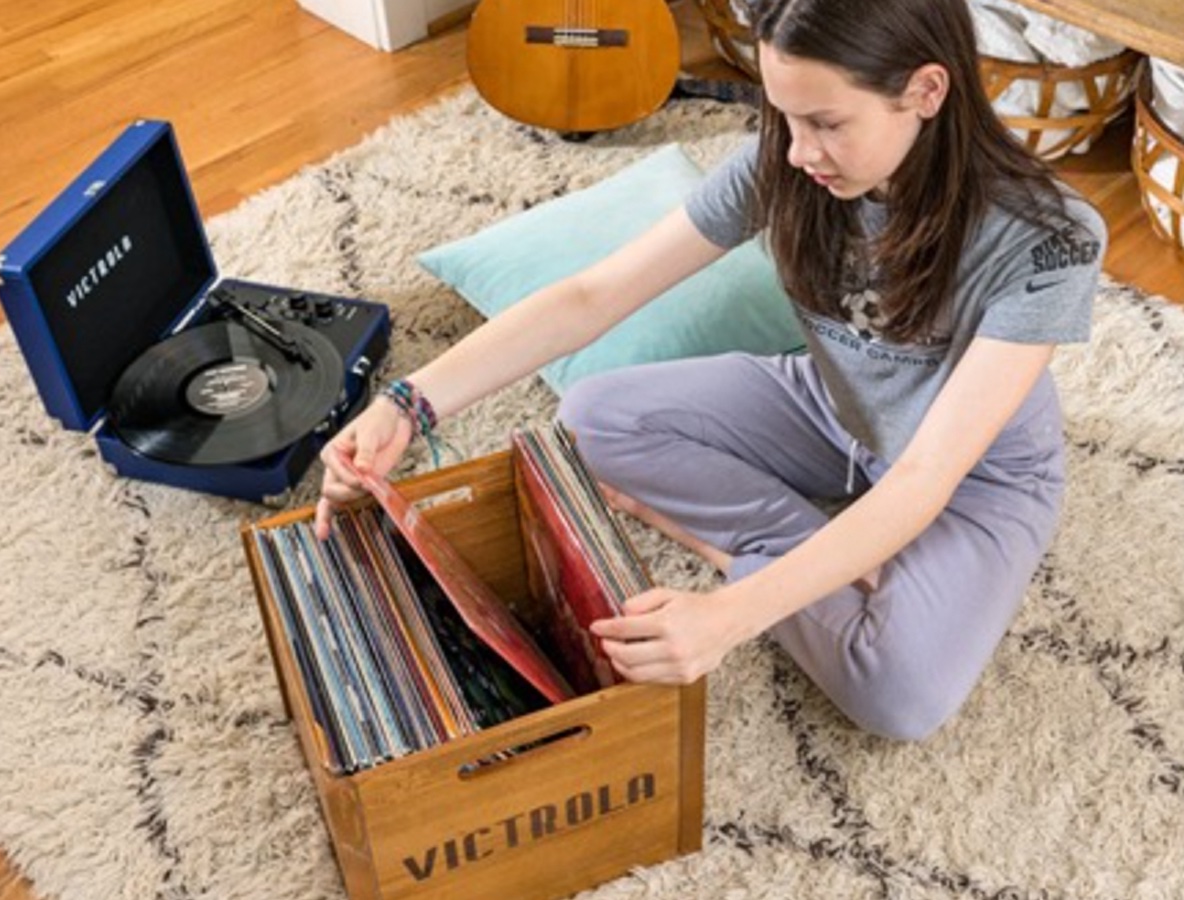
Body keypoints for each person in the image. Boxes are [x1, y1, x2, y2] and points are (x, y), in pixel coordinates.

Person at [316, 0, 1105, 741]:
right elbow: (593, 295)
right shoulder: (789, 163)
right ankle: (796, 550)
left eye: (827, 122)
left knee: (899, 695)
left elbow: (927, 476)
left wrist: (730, 612)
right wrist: (408, 404)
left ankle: (756, 554)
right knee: (593, 418)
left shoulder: (1051, 237)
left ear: (926, 90)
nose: (798, 152)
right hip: (830, 405)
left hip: (974, 475)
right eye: (785, 117)